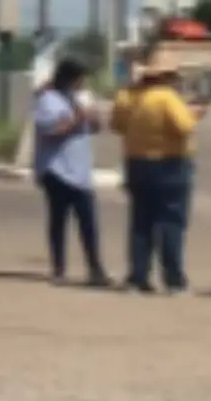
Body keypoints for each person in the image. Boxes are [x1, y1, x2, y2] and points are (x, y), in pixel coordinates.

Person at [119, 62, 198, 295]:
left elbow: (117, 125)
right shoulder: (167, 98)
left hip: (136, 162)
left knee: (141, 222)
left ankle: (138, 276)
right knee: (171, 221)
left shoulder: (128, 97)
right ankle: (173, 279)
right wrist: (194, 115)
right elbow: (184, 127)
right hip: (170, 163)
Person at [32, 57, 109, 287]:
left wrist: (93, 116)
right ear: (69, 78)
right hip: (57, 170)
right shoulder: (49, 100)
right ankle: (58, 268)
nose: (83, 82)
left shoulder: (81, 98)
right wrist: (76, 120)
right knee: (58, 220)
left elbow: (95, 127)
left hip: (80, 171)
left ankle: (95, 269)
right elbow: (50, 131)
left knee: (88, 222)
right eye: (80, 78)